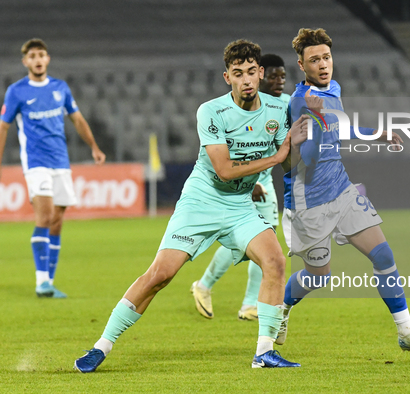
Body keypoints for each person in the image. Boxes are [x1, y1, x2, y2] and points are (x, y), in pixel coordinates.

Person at [74, 39, 308, 372]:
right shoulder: (211, 111)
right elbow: (225, 171)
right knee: (160, 275)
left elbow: (289, 162)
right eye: (237, 73)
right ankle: (101, 346)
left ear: (260, 73)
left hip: (240, 205)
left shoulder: (278, 109)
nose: (246, 80)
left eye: (251, 72)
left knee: (274, 261)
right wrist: (277, 156)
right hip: (201, 202)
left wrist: (303, 154)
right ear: (227, 77)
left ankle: (264, 352)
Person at [277, 28, 410, 355]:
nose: (323, 64)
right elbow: (305, 160)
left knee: (383, 255)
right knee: (318, 277)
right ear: (301, 65)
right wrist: (316, 115)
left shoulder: (333, 89)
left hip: (342, 190)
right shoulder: (300, 103)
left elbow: (341, 127)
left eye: (326, 57)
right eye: (314, 60)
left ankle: (406, 332)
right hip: (309, 202)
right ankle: (281, 310)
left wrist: (376, 134)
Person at [0, 38, 106, 298]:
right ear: (25, 61)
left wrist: (94, 146)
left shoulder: (60, 88)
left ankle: (49, 279)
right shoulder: (16, 91)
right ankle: (41, 282)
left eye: (41, 55)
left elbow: (77, 119)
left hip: (61, 161)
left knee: (57, 221)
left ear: (47, 59)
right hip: (36, 163)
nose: (37, 60)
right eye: (32, 56)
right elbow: (4, 126)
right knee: (45, 217)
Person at [190, 54, 291, 321]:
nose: (278, 81)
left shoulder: (285, 105)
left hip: (264, 179)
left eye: (282, 76)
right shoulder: (235, 107)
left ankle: (222, 293)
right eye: (273, 76)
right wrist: (253, 181)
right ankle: (232, 297)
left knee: (255, 241)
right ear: (260, 75)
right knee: (259, 240)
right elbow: (234, 147)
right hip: (247, 181)